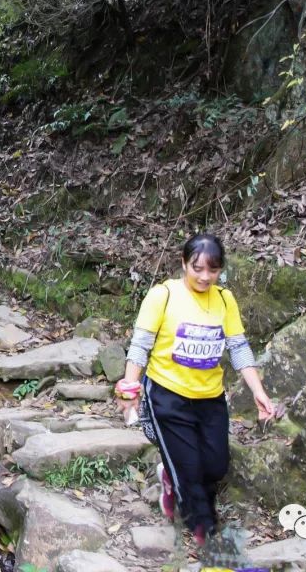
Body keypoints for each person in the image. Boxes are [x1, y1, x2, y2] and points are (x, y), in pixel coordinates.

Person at [116, 233, 275, 547]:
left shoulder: (225, 300)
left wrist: (259, 391)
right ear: (183, 264)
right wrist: (129, 390)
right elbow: (139, 347)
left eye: (212, 270)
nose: (205, 277)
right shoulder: (163, 296)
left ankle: (170, 478)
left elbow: (239, 347)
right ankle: (205, 533)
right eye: (197, 268)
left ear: (220, 270)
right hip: (167, 396)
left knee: (215, 466)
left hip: (209, 398)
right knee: (189, 472)